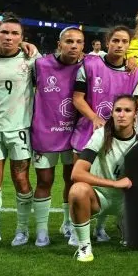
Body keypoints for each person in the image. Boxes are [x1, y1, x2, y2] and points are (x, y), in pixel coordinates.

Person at [71, 26, 138, 243]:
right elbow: (77, 98)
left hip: (117, 132)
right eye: (115, 41)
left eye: (124, 41)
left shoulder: (133, 72)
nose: (119, 45)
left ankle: (100, 228)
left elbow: (133, 103)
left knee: (112, 174)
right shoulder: (90, 63)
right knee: (77, 182)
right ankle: (74, 229)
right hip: (88, 131)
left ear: (129, 45)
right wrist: (94, 118)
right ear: (107, 42)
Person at [0, 14, 38, 249]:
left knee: (21, 179)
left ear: (22, 38)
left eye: (15, 33)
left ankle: (22, 230)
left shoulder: (32, 58)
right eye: (4, 32)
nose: (9, 37)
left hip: (19, 129)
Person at [67, 95, 138, 262]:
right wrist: (114, 183)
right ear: (112, 113)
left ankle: (126, 224)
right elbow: (77, 173)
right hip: (101, 198)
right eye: (118, 110)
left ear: (135, 114)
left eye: (127, 110)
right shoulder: (101, 134)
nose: (122, 114)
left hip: (129, 201)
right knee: (77, 190)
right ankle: (84, 246)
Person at [31, 27, 85, 246]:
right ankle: (42, 230)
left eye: (79, 42)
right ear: (59, 43)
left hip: (74, 134)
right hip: (45, 133)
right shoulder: (40, 64)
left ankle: (67, 223)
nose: (74, 45)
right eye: (69, 41)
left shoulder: (88, 66)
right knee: (45, 181)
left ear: (83, 46)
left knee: (71, 180)